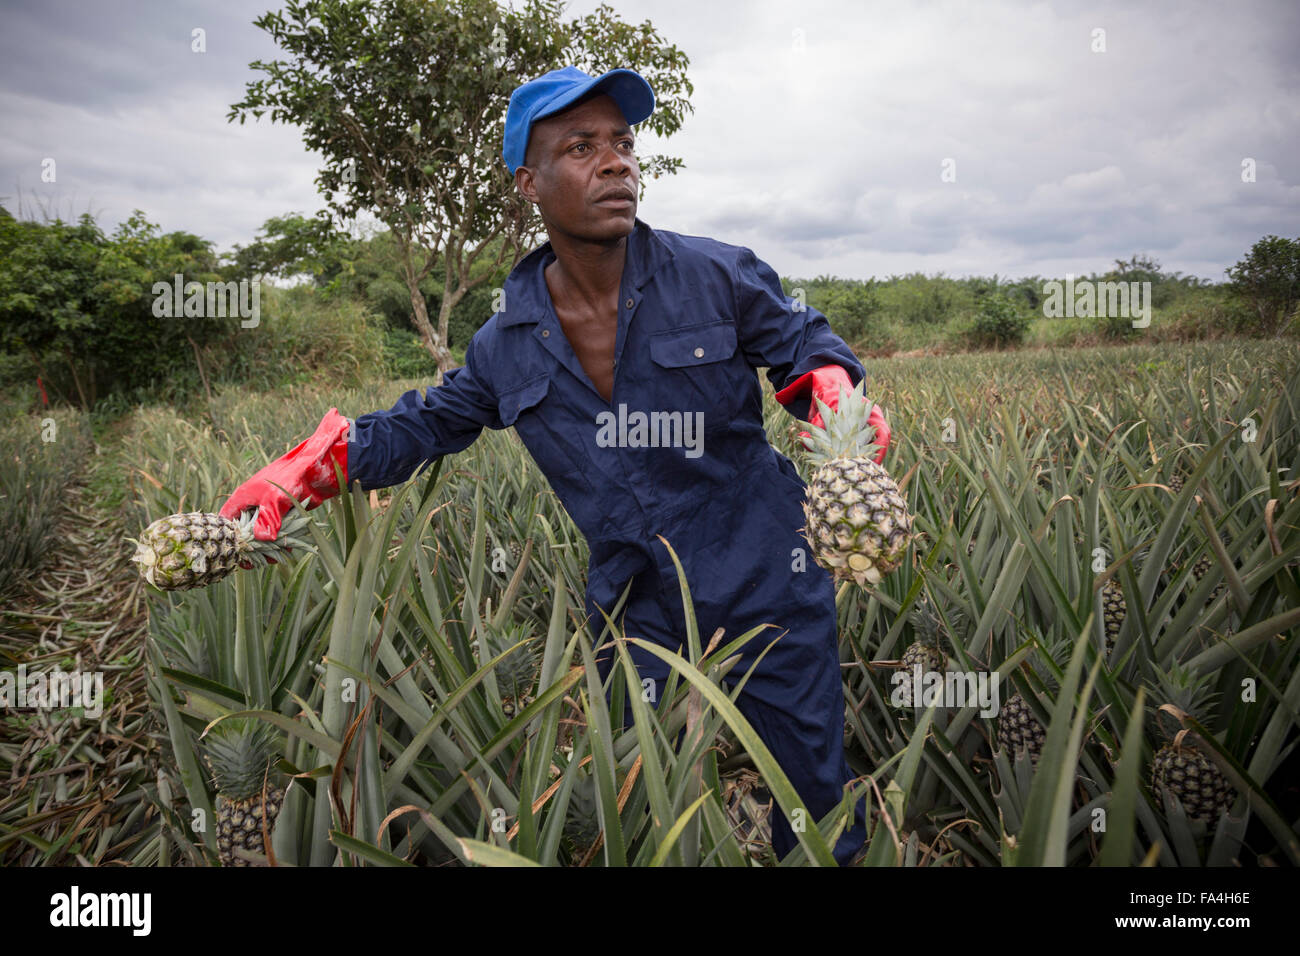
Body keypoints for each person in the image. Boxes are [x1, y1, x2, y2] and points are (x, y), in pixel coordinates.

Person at [220, 66, 892, 865]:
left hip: (765, 576)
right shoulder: (506, 339)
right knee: (626, 804)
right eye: (582, 147)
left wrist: (830, 389)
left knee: (812, 806)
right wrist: (311, 464)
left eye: (623, 143)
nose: (617, 163)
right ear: (527, 183)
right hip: (635, 602)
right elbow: (429, 422)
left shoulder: (717, 273)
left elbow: (802, 345)